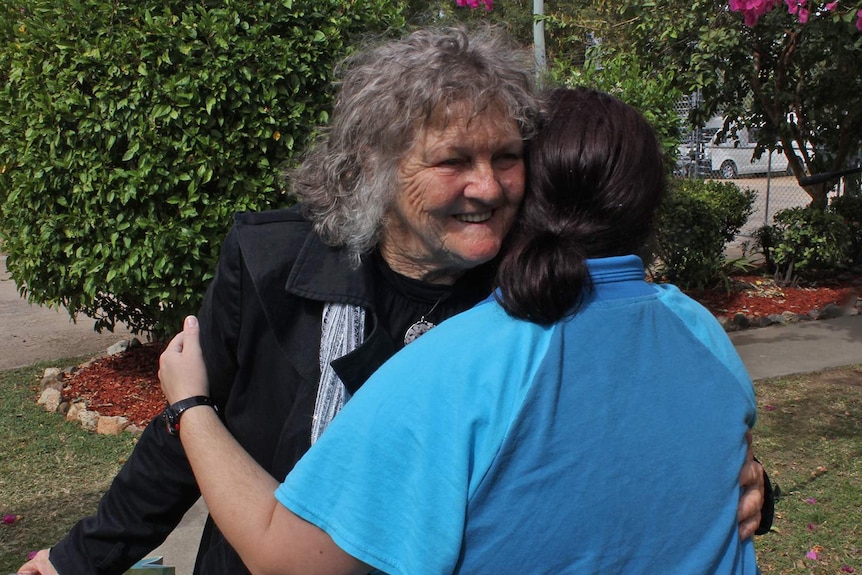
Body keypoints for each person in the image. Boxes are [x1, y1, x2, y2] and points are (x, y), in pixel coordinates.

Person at [18, 29, 768, 574]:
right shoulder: (270, 260)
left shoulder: (527, 294)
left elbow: (607, 430)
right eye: (453, 161)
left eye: (507, 157)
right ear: (372, 167)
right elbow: (182, 439)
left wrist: (738, 480)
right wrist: (75, 559)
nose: (489, 185)